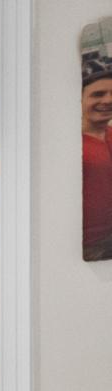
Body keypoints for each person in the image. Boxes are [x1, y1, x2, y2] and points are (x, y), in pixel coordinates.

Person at [83, 64, 112, 261]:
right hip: (88, 246)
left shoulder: (110, 134)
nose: (108, 100)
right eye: (98, 94)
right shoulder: (66, 145)